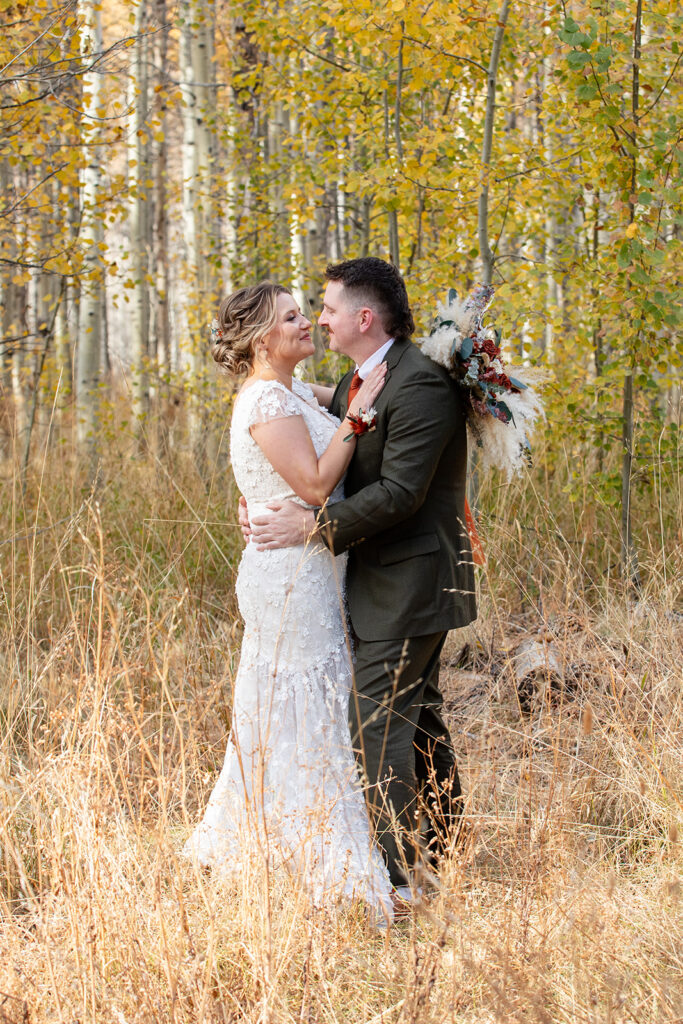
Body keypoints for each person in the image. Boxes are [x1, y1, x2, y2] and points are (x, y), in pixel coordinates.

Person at [246, 258, 477, 905]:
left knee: (373, 724)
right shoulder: (365, 375)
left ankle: (402, 879)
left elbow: (402, 493)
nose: (320, 319)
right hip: (382, 582)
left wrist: (311, 526)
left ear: (363, 318)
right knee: (419, 719)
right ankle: (447, 854)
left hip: (412, 582)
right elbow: (336, 416)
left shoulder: (422, 383)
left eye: (326, 309)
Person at [182, 281, 394, 922]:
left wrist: (376, 381)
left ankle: (281, 846)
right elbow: (315, 481)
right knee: (305, 708)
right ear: (260, 339)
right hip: (291, 579)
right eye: (292, 317)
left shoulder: (296, 390)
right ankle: (319, 863)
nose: (307, 323)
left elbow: (351, 392)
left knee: (295, 707)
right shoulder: (267, 398)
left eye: (307, 312)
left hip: (311, 568)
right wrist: (359, 419)